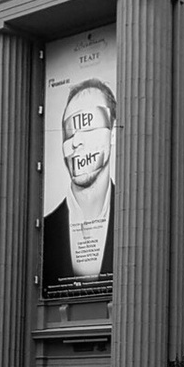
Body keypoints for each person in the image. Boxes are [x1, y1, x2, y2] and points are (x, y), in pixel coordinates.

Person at [43, 78, 116, 291]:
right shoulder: (45, 234)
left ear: (113, 133)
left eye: (88, 127)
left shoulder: (134, 220)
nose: (75, 142)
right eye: (69, 132)